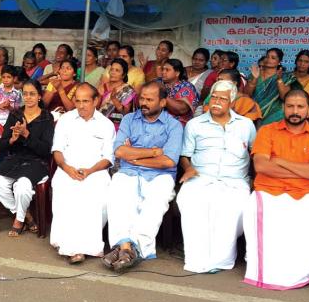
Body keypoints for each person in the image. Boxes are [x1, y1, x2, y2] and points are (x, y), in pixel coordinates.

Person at [244, 89, 309, 290]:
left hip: (306, 192)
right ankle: (266, 272)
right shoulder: (267, 131)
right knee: (263, 215)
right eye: (290, 106)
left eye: (300, 106)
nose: (295, 111)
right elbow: (262, 167)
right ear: (283, 108)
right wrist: (305, 169)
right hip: (269, 190)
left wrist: (281, 161)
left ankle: (301, 272)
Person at [102, 82, 183, 272]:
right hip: (128, 172)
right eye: (142, 98)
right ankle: (126, 248)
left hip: (160, 175)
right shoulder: (129, 119)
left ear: (162, 102)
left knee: (155, 202)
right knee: (117, 195)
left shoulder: (174, 126)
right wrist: (154, 152)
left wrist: (136, 157)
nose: (143, 103)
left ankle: (129, 249)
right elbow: (120, 151)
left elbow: (168, 161)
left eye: (149, 99)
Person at [177, 80, 256, 273]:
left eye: (222, 98)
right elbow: (185, 155)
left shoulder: (246, 125)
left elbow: (256, 155)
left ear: (232, 101)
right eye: (214, 97)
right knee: (190, 201)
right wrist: (188, 168)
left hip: (235, 181)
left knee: (229, 209)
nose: (217, 102)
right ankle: (196, 259)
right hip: (201, 178)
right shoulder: (195, 124)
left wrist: (255, 180)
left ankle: (221, 260)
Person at [50, 83, 115, 264]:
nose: (81, 106)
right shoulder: (66, 120)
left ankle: (84, 246)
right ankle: (74, 247)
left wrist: (90, 171)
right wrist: (66, 168)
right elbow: (57, 151)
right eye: (77, 101)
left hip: (95, 171)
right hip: (67, 169)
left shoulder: (106, 124)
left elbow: (108, 158)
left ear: (96, 101)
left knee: (94, 192)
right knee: (67, 188)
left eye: (85, 101)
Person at [0, 79, 55, 236]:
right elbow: (2, 145)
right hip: (15, 159)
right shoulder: (15, 114)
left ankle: (18, 220)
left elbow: (46, 149)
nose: (29, 97)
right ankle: (27, 216)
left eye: (32, 94)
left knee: (22, 186)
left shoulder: (46, 117)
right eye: (25, 94)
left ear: (39, 96)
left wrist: (26, 134)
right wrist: (12, 139)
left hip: (37, 161)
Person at [243, 48, 297, 126]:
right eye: (267, 56)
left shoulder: (285, 77)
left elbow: (284, 97)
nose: (268, 59)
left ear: (279, 62)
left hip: (275, 113)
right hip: (254, 112)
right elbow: (247, 94)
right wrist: (254, 79)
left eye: (273, 58)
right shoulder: (255, 74)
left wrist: (279, 80)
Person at [97, 58, 136, 128]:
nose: (113, 72)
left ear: (123, 75)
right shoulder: (103, 87)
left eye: (117, 70)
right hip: (100, 124)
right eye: (111, 69)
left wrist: (114, 100)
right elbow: (96, 108)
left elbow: (126, 113)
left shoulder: (127, 90)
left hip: (118, 126)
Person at [159, 59, 199, 125]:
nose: (163, 72)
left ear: (177, 73)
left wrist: (161, 93)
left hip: (178, 124)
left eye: (167, 70)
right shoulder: (158, 82)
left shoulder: (187, 87)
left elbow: (181, 110)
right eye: (162, 69)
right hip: (158, 123)